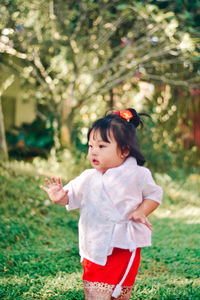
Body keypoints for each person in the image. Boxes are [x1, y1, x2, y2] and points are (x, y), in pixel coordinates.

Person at [40, 108, 163, 300]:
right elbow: (69, 197)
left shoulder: (138, 174)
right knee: (95, 289)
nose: (93, 151)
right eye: (90, 146)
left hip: (122, 245)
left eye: (102, 146)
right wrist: (58, 197)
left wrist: (142, 210)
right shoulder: (88, 177)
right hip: (93, 243)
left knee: (118, 292)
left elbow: (154, 194)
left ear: (124, 150)